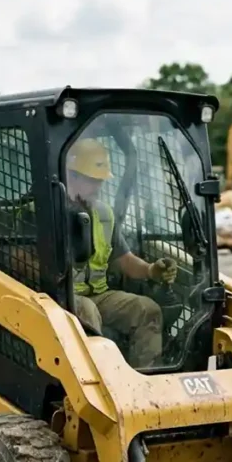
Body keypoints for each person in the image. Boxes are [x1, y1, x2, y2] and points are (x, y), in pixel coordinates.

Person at [66, 137, 177, 369]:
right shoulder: (45, 212)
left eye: (100, 181)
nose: (98, 187)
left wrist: (150, 270)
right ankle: (99, 379)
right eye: (92, 180)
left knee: (147, 309)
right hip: (60, 298)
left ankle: (144, 377)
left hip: (98, 295)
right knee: (86, 310)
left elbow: (124, 259)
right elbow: (22, 261)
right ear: (71, 176)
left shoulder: (104, 214)